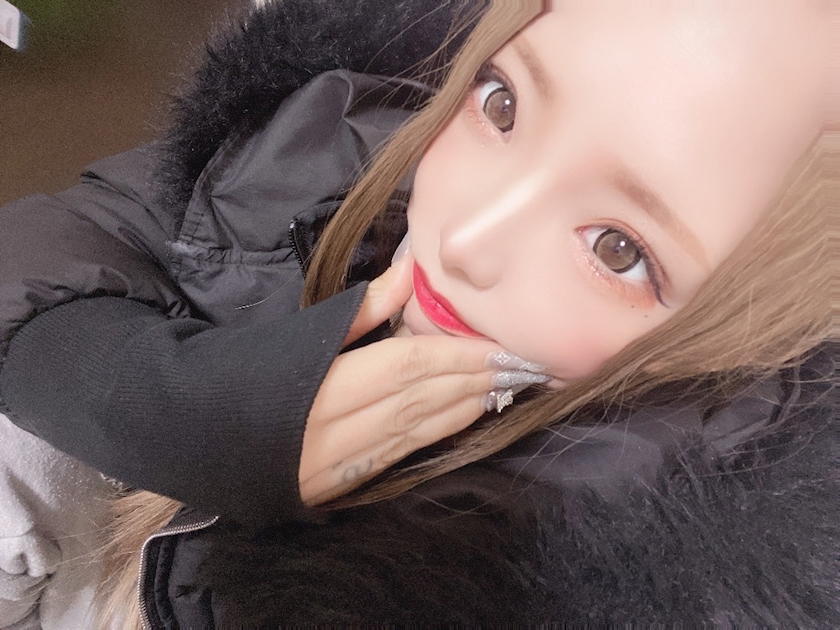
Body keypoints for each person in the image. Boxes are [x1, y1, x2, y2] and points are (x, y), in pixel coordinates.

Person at [0, 0, 835, 625]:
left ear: (761, 339)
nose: (467, 237)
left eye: (618, 249)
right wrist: (148, 399)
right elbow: (68, 238)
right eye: (502, 103)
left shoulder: (641, 579)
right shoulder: (339, 130)